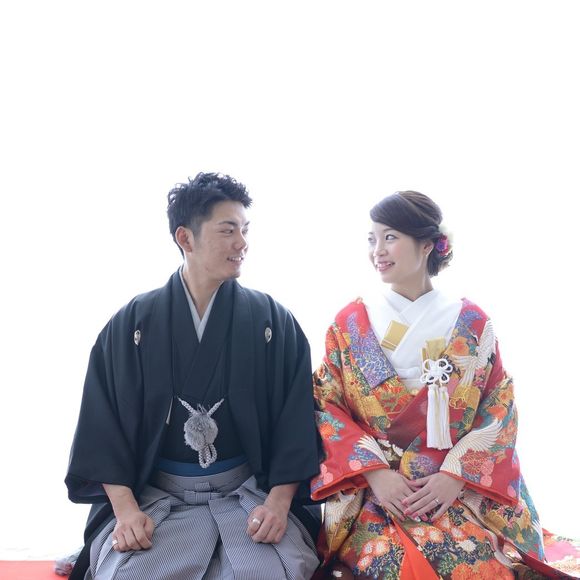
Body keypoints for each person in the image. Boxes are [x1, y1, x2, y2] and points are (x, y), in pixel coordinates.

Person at [311, 191, 580, 579]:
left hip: (456, 490)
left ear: (426, 245)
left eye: (390, 237)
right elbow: (328, 404)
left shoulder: (471, 323)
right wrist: (375, 474)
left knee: (483, 567)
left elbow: (498, 406)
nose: (377, 251)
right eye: (372, 239)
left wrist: (454, 476)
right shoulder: (349, 324)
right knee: (399, 567)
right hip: (380, 496)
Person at [66, 172, 321, 580]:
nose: (242, 243)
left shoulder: (271, 321)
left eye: (245, 230)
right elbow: (103, 425)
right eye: (228, 230)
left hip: (250, 496)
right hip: (156, 498)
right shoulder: (133, 324)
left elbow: (296, 421)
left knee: (271, 573)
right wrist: (126, 512)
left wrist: (278, 503)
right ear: (185, 238)